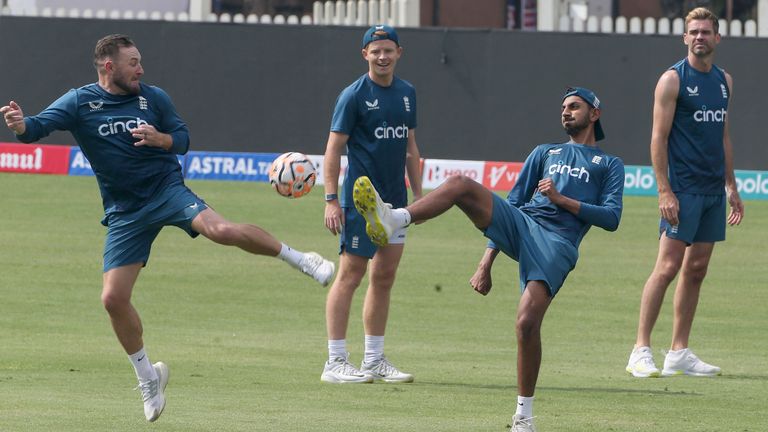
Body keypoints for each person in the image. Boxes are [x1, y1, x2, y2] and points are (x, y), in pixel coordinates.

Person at [0, 34, 335, 422]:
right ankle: (148, 377)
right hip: (126, 212)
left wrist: (162, 140)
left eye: (140, 61)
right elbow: (37, 128)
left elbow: (184, 139)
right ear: (109, 66)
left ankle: (301, 259)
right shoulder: (81, 101)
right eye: (133, 62)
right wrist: (21, 125)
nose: (141, 69)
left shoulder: (153, 98)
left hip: (166, 191)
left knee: (220, 231)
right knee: (112, 299)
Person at [353, 87, 624, 431]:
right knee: (461, 184)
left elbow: (612, 218)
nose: (566, 112)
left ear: (594, 114)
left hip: (558, 244)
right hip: (523, 224)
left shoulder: (610, 164)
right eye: (563, 107)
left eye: (574, 106)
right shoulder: (545, 152)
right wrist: (486, 262)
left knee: (526, 324)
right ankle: (396, 219)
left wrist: (561, 199)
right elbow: (512, 203)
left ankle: (524, 418)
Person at [625, 7, 744, 379]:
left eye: (706, 32)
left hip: (711, 191)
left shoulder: (724, 81)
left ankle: (679, 351)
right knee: (667, 267)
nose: (699, 37)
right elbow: (657, 139)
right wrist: (664, 190)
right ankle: (639, 350)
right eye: (693, 31)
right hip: (683, 190)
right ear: (684, 37)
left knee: (696, 270)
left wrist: (732, 186)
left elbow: (722, 136)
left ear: (717, 38)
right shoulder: (672, 80)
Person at [320, 24, 423, 384]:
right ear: (365, 54)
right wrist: (332, 200)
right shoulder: (352, 96)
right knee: (351, 275)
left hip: (395, 201)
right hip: (361, 203)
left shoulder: (408, 93)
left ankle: (374, 360)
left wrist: (420, 196)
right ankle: (334, 362)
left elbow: (411, 148)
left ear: (399, 53)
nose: (382, 56)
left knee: (384, 276)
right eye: (375, 51)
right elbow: (333, 150)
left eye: (388, 50)